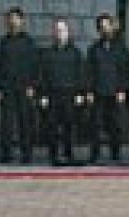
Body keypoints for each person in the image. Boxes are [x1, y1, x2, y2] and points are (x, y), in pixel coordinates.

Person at [0, 7, 39, 164]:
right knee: (6, 123)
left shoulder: (28, 42)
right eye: (10, 19)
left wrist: (32, 86)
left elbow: (34, 66)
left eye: (16, 19)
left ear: (21, 21)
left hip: (24, 88)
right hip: (7, 88)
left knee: (24, 122)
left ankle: (26, 154)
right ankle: (6, 154)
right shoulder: (3, 42)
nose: (13, 22)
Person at [39, 19, 85, 166]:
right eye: (57, 30)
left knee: (69, 126)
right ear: (53, 33)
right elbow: (42, 75)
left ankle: (69, 154)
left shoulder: (75, 53)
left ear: (68, 33)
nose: (60, 33)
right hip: (52, 94)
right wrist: (43, 95)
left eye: (63, 30)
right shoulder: (47, 54)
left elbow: (81, 74)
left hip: (70, 94)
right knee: (52, 126)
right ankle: (53, 156)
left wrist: (80, 93)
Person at [88, 14, 129, 165]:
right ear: (98, 29)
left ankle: (116, 154)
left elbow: (125, 70)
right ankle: (95, 154)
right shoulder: (94, 49)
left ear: (112, 27)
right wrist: (90, 91)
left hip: (115, 92)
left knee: (115, 125)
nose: (105, 29)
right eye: (102, 26)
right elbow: (90, 72)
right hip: (98, 92)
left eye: (107, 25)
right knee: (96, 125)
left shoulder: (120, 48)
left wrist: (122, 90)